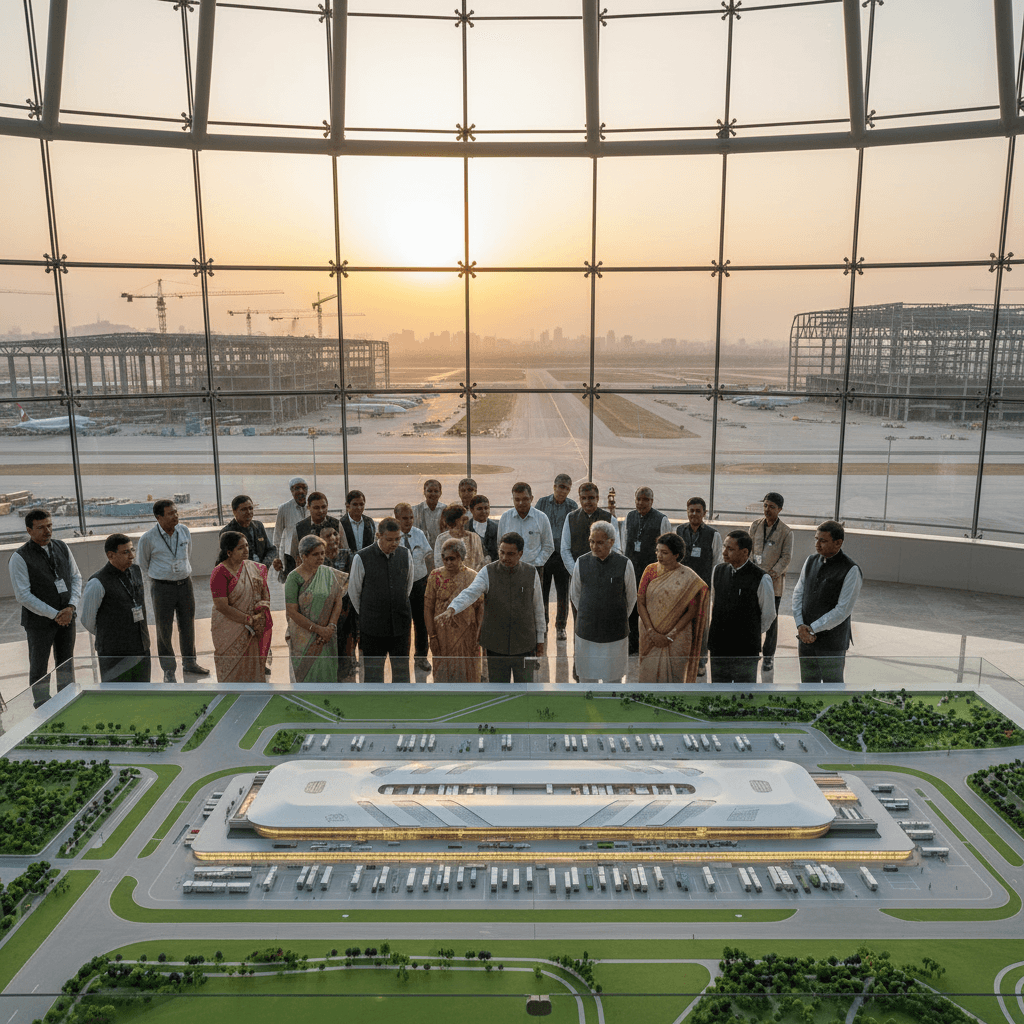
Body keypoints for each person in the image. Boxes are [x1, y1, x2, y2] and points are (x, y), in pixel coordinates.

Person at [438, 532, 546, 683]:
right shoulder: (487, 572)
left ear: (520, 554)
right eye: (501, 552)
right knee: (498, 690)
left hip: (524, 644)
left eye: (510, 554)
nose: (504, 557)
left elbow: (538, 609)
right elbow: (470, 593)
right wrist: (452, 608)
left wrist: (540, 640)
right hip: (496, 645)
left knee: (525, 691)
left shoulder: (531, 573)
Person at [9, 509, 82, 706]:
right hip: (39, 623)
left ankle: (67, 701)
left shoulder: (63, 547)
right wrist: (56, 614)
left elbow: (76, 577)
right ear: (29, 530)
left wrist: (71, 606)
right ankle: (42, 707)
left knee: (66, 663)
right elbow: (23, 595)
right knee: (40, 667)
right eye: (41, 528)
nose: (47, 531)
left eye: (49, 526)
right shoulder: (19, 558)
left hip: (68, 617)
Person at [137, 499, 208, 682]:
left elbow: (187, 554)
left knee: (188, 625)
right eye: (170, 513)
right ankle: (169, 670)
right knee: (164, 629)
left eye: (176, 512)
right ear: (159, 517)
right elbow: (143, 564)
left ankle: (190, 663)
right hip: (162, 588)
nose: (175, 516)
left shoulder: (184, 531)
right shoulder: (148, 538)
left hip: (185, 584)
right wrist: (162, 575)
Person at [793, 520, 863, 683]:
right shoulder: (810, 561)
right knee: (808, 687)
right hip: (805, 639)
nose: (817, 544)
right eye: (816, 539)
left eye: (823, 541)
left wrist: (812, 629)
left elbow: (842, 610)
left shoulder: (851, 570)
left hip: (832, 644)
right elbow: (798, 594)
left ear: (838, 543)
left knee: (833, 688)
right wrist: (800, 625)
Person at [636, 532, 708, 685]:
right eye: (657, 551)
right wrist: (651, 632)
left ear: (676, 554)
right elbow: (640, 602)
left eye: (664, 552)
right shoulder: (650, 571)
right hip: (649, 634)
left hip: (678, 636)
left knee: (675, 682)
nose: (659, 555)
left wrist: (672, 634)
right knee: (648, 679)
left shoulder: (689, 578)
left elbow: (692, 610)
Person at [569, 521, 636, 685]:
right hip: (587, 632)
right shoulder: (581, 562)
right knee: (586, 679)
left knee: (613, 679)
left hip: (615, 632)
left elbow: (631, 597)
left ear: (611, 542)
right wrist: (591, 613)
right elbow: (575, 594)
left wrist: (614, 616)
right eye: (592, 541)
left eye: (599, 542)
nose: (594, 546)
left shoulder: (624, 563)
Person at [348, 517, 414, 683]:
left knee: (402, 673)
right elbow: (354, 592)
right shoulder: (361, 557)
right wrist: (370, 613)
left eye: (397, 539)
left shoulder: (405, 554)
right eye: (389, 539)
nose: (394, 543)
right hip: (372, 629)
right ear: (378, 536)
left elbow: (407, 586)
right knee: (373, 675)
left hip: (400, 627)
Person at [80, 533, 150, 682]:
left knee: (143, 695)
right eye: (126, 552)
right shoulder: (97, 582)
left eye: (132, 550)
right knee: (117, 697)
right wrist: (110, 634)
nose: (131, 555)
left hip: (140, 648)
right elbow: (87, 620)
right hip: (114, 654)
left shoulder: (136, 571)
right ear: (111, 555)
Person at [708, 531, 776, 685]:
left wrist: (749, 633)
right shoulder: (717, 571)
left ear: (745, 552)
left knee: (744, 696)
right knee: (719, 694)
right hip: (719, 647)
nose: (724, 552)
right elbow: (715, 604)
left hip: (745, 651)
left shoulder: (761, 578)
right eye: (725, 547)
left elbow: (769, 615)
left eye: (730, 549)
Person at [210, 531, 273, 682]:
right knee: (232, 669)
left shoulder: (254, 568)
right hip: (229, 628)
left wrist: (259, 618)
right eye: (240, 548)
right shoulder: (220, 572)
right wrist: (249, 620)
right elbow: (222, 606)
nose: (246, 550)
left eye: (246, 546)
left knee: (253, 667)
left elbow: (264, 595)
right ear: (229, 552)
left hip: (253, 627)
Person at [285, 534, 346, 683]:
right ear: (304, 556)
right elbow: (292, 611)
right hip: (304, 637)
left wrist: (331, 626)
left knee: (327, 674)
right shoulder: (294, 578)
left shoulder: (329, 573)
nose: (321, 557)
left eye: (322, 553)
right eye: (315, 554)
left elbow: (338, 599)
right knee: (306, 678)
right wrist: (319, 630)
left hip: (327, 637)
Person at [424, 538, 485, 683]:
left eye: (452, 558)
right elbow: (428, 608)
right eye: (445, 559)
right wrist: (432, 637)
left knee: (469, 675)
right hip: (441, 635)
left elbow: (480, 608)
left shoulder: (473, 577)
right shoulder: (435, 577)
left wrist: (478, 636)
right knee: (443, 675)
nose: (448, 562)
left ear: (461, 557)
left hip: (467, 636)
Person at [676, 496, 723, 676]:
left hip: (702, 588)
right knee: (682, 623)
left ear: (704, 513)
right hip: (682, 588)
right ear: (687, 512)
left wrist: (711, 588)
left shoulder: (713, 535)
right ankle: (683, 659)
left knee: (701, 626)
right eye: (691, 511)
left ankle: (701, 661)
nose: (694, 514)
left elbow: (717, 563)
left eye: (698, 511)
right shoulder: (679, 531)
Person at [622, 487, 671, 655]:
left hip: (652, 573)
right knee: (631, 607)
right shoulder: (630, 517)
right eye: (638, 499)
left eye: (645, 500)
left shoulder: (661, 520)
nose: (641, 503)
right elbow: (624, 544)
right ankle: (632, 644)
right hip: (632, 571)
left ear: (652, 501)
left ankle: (649, 644)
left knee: (649, 610)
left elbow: (667, 550)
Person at [749, 491, 794, 674]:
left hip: (773, 584)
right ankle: (752, 652)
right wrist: (752, 570)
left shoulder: (786, 532)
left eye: (772, 507)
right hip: (753, 580)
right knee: (752, 618)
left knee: (772, 621)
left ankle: (768, 657)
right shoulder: (755, 525)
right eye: (765, 505)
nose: (767, 509)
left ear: (780, 509)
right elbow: (748, 549)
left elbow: (786, 558)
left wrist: (770, 575)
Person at [535, 473, 578, 642]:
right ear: (554, 486)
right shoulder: (542, 503)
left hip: (562, 555)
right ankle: (543, 624)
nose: (562, 491)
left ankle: (561, 627)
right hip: (545, 554)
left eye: (566, 488)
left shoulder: (572, 505)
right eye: (560, 487)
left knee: (563, 592)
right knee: (543, 591)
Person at [395, 502, 434, 673]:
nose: (408, 521)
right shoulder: (390, 536)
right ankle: (401, 659)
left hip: (419, 583)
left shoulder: (419, 534)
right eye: (404, 518)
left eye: (411, 517)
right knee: (402, 623)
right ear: (396, 518)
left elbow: (428, 557)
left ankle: (421, 657)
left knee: (421, 622)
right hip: (399, 586)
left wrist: (430, 581)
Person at [560, 481, 619, 578]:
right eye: (584, 498)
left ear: (597, 498)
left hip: (604, 574)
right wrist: (576, 572)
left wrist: (606, 569)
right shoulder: (570, 518)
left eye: (591, 498)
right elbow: (565, 549)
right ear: (580, 499)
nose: (587, 501)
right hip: (578, 574)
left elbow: (615, 547)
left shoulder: (610, 519)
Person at [320, 527, 357, 677]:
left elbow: (352, 579)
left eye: (335, 534)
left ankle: (347, 669)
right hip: (325, 609)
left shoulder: (348, 555)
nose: (333, 538)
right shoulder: (319, 558)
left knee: (346, 640)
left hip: (346, 607)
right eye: (328, 535)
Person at [497, 482, 554, 572]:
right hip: (509, 569)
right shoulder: (505, 517)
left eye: (525, 499)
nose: (521, 503)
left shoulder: (542, 518)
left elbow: (548, 546)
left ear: (531, 498)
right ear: (513, 499)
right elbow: (499, 544)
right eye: (517, 499)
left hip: (534, 569)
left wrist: (536, 564)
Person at [221, 494, 277, 569]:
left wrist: (264, 565)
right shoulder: (227, 532)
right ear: (234, 512)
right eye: (244, 509)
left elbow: (271, 549)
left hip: (261, 573)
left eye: (251, 508)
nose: (249, 512)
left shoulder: (258, 526)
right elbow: (228, 560)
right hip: (241, 575)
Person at [272, 477, 309, 581]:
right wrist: (276, 557)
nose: (301, 491)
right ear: (291, 491)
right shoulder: (284, 508)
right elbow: (277, 534)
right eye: (297, 488)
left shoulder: (311, 506)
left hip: (311, 552)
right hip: (291, 555)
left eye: (304, 488)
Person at [434, 503, 487, 571]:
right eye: (463, 518)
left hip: (471, 578)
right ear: (455, 520)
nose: (467, 519)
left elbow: (480, 562)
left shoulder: (474, 537)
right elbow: (438, 563)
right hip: (449, 579)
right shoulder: (441, 539)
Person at [291, 491, 341, 561]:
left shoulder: (337, 524)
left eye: (323, 507)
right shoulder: (299, 528)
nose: (321, 511)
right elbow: (294, 556)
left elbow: (344, 550)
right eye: (316, 508)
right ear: (308, 507)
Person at [413, 478, 446, 573]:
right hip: (422, 554)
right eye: (429, 491)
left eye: (436, 491)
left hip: (441, 552)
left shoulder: (445, 509)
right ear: (424, 492)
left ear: (440, 493)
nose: (433, 494)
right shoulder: (416, 510)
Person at [340, 489, 375, 554]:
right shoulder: (341, 524)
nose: (359, 507)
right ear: (347, 505)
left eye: (361, 504)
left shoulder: (369, 522)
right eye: (355, 504)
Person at [469, 495, 499, 562]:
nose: (484, 511)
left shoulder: (496, 528)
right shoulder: (466, 527)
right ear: (471, 510)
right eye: (479, 509)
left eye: (486, 508)